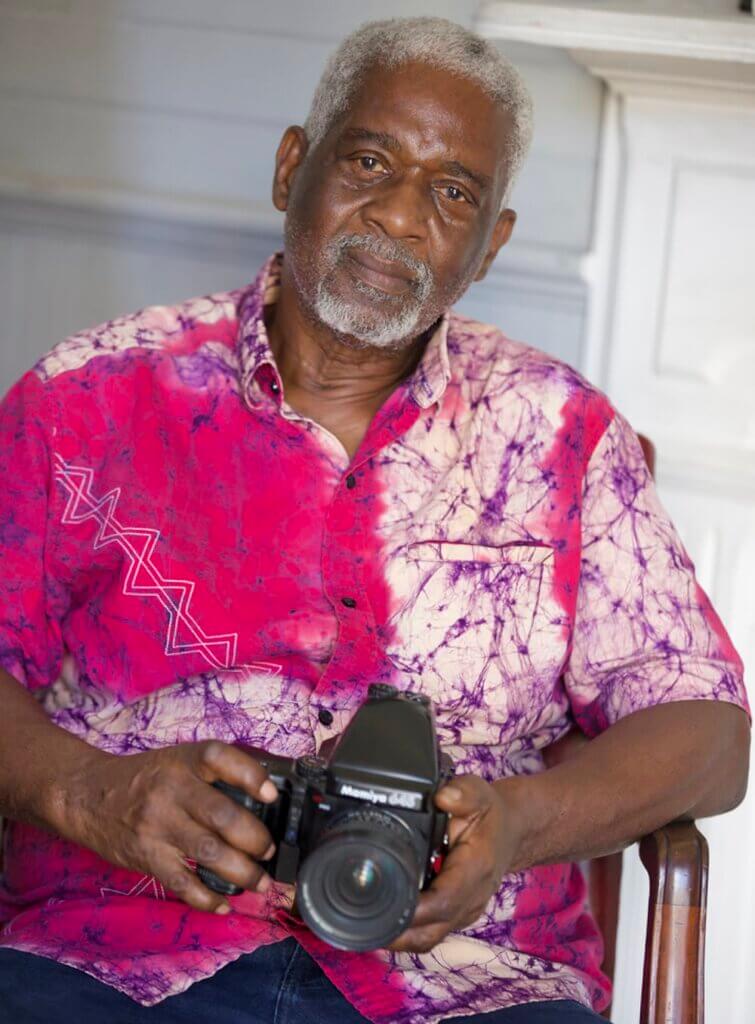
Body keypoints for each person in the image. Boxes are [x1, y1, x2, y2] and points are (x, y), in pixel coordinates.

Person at [0, 15, 748, 1024]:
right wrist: (89, 790)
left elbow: (707, 734)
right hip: (117, 954)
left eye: (452, 193)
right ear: (290, 168)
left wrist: (517, 823)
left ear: (490, 245)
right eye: (368, 159)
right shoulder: (85, 400)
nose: (399, 216)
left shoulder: (558, 434)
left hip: (464, 980)